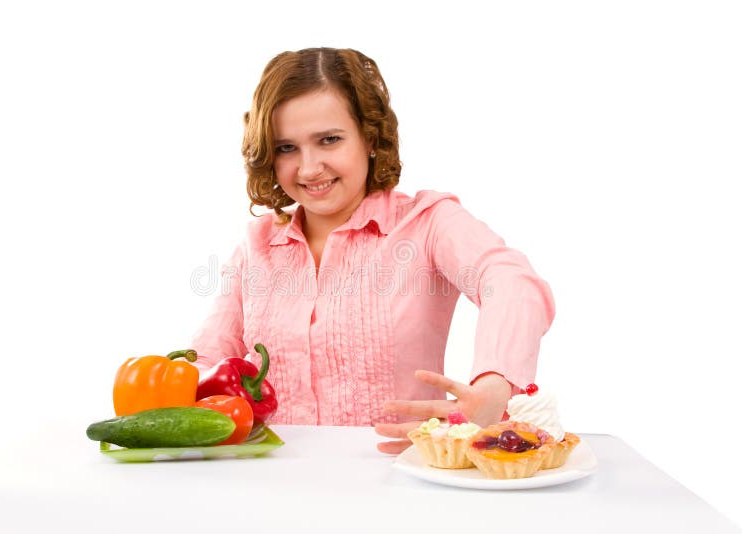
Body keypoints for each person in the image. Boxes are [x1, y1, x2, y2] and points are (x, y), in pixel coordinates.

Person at [191, 47, 555, 454]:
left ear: (369, 136)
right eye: (286, 148)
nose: (309, 168)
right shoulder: (257, 244)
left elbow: (511, 283)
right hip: (275, 487)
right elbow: (208, 360)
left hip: (401, 486)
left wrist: (493, 385)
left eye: (329, 140)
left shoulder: (426, 223)